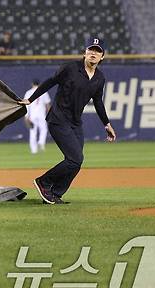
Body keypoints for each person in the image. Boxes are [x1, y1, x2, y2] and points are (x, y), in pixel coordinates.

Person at [18, 37, 116, 204]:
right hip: (58, 118)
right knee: (74, 158)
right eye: (91, 49)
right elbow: (50, 82)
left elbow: (98, 102)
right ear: (85, 52)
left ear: (102, 57)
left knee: (77, 161)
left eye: (97, 51)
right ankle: (44, 182)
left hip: (75, 122)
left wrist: (107, 124)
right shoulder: (70, 68)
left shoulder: (99, 78)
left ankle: (55, 193)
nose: (93, 53)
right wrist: (31, 99)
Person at [23, 79, 51, 154]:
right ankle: (41, 142)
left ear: (32, 84)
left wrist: (26, 116)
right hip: (42, 115)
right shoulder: (44, 91)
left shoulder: (28, 92)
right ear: (39, 84)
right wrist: (49, 114)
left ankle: (34, 150)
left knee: (33, 132)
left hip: (32, 115)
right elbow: (47, 105)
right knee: (44, 129)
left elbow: (26, 105)